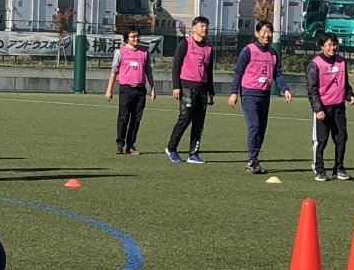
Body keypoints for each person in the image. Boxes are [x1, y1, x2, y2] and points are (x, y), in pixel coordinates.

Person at [227, 20, 292, 175]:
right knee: (254, 126)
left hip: (265, 94)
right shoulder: (248, 51)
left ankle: (254, 158)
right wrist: (234, 92)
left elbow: (277, 73)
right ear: (256, 33)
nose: (266, 34)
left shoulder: (273, 53)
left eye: (269, 31)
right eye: (263, 31)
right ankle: (252, 160)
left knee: (261, 129)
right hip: (249, 93)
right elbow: (238, 72)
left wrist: (285, 89)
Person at [306, 32, 354, 182]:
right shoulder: (315, 64)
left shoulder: (342, 62)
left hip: (338, 107)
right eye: (329, 45)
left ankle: (339, 168)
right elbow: (312, 89)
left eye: (334, 44)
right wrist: (318, 109)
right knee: (321, 140)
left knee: (341, 138)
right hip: (323, 108)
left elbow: (344, 83)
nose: (332, 48)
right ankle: (319, 169)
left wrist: (349, 95)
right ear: (322, 47)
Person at [165, 15, 215, 164]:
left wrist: (211, 92)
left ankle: (193, 153)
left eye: (206, 26)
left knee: (199, 122)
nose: (205, 28)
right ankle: (171, 148)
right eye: (202, 25)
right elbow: (176, 66)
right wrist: (176, 87)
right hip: (187, 87)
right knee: (185, 118)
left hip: (202, 89)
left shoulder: (209, 48)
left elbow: (209, 71)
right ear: (194, 28)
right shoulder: (185, 44)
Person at [103, 27, 155, 155]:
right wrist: (109, 89)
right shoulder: (120, 52)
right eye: (133, 36)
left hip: (140, 90)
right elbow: (114, 71)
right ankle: (120, 144)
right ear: (127, 39)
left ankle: (131, 145)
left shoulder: (144, 52)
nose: (136, 39)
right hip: (126, 89)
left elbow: (148, 71)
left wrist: (152, 88)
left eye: (137, 36)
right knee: (123, 117)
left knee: (136, 119)